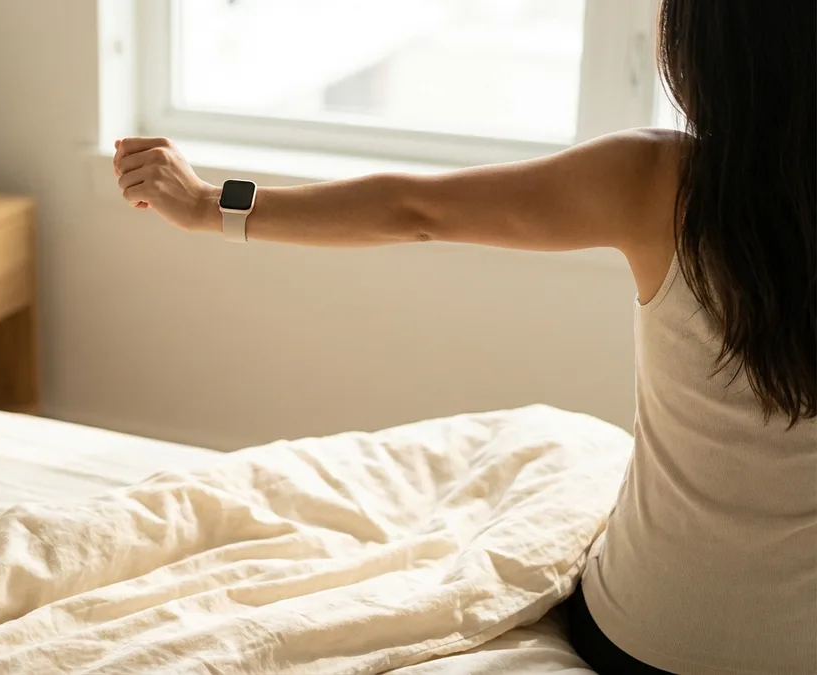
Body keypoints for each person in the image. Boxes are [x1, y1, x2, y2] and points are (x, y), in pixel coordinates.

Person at [111, 1, 815, 673]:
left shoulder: (657, 182)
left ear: (703, 49)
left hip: (641, 637)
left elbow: (412, 208)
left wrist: (210, 205)